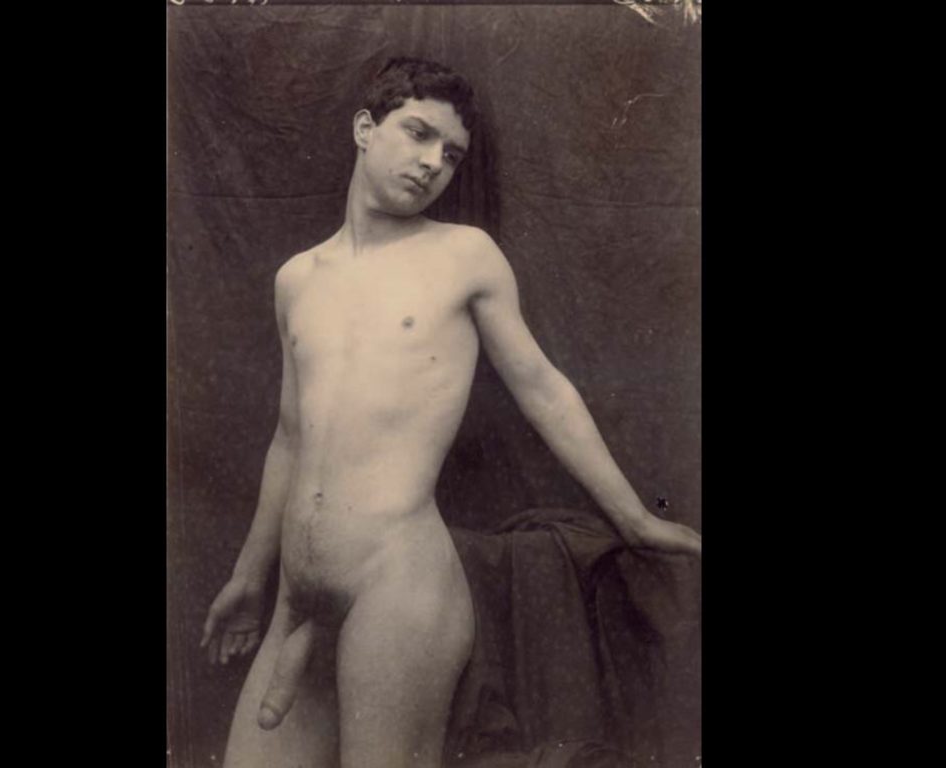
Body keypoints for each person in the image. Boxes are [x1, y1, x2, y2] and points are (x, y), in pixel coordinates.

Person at [200, 57, 701, 768]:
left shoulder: (464, 256)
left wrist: (634, 519)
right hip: (294, 598)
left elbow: (543, 388)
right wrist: (250, 578)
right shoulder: (297, 279)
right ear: (365, 129)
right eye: (419, 133)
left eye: (453, 154)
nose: (435, 161)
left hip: (397, 583)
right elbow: (290, 436)